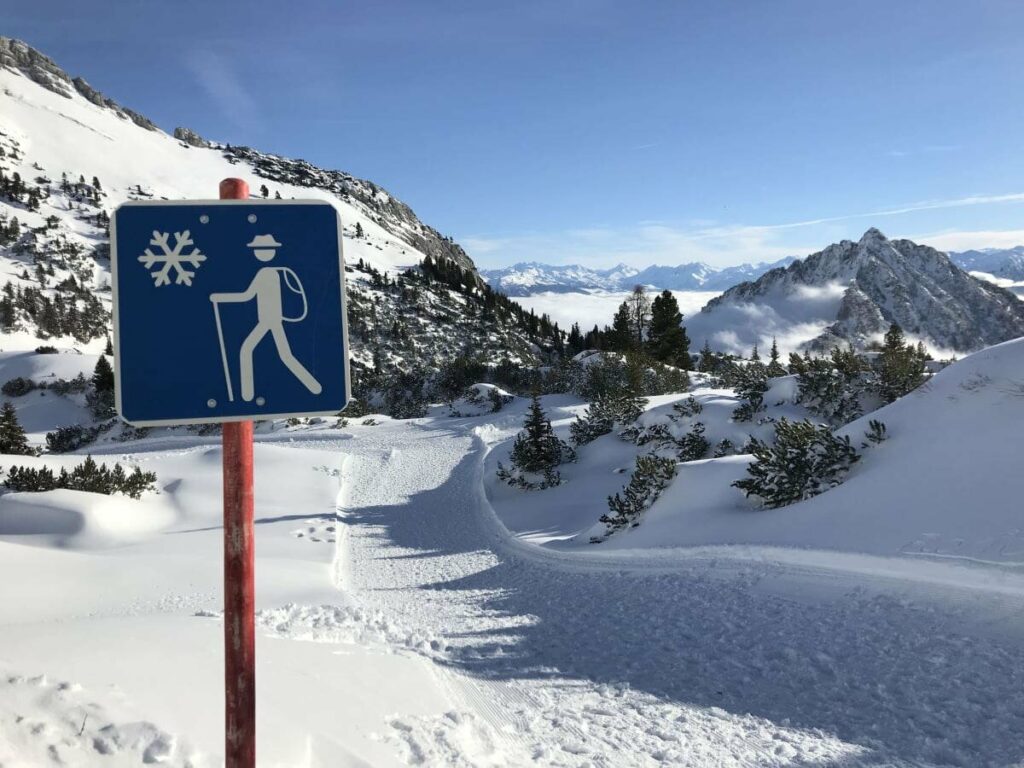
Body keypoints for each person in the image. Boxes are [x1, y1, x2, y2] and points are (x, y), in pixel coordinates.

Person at [209, 234, 322, 402]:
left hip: (269, 321)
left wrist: (220, 298)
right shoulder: (273, 273)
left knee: (249, 350)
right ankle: (313, 387)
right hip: (270, 321)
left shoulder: (265, 274)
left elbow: (246, 296)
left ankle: (247, 396)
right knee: (284, 355)